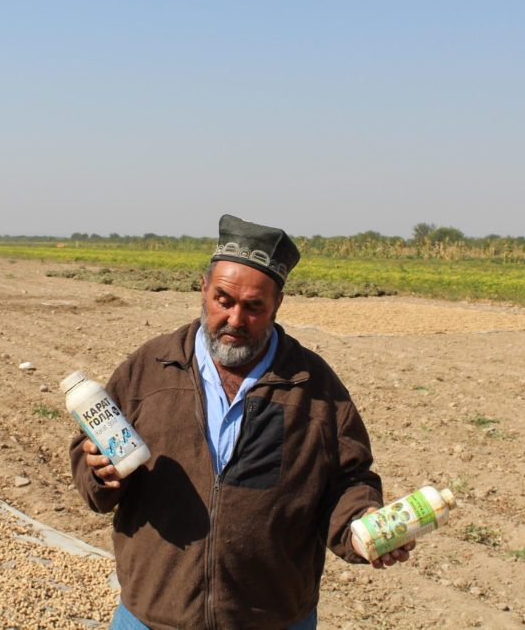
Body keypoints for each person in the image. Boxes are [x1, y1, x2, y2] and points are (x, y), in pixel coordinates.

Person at [70, 214, 413, 630]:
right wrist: (99, 472)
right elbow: (89, 452)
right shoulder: (152, 368)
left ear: (277, 305)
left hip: (272, 619)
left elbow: (349, 478)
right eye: (223, 300)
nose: (235, 319)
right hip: (153, 615)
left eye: (254, 307)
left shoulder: (313, 386)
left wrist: (362, 527)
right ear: (203, 289)